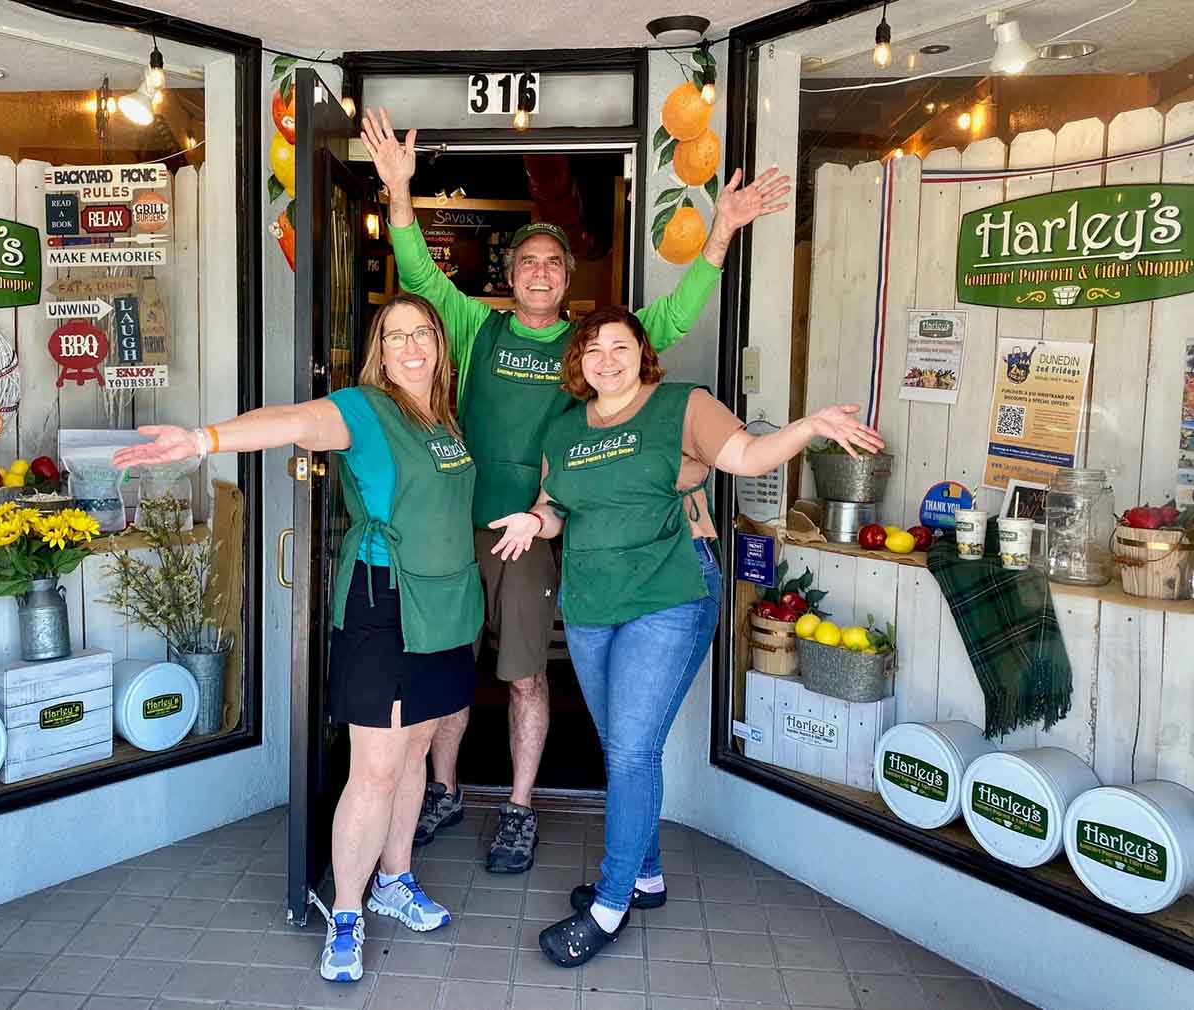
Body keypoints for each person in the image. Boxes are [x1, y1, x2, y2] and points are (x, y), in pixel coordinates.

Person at [361, 108, 791, 873]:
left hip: (534, 532)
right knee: (448, 668)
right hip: (453, 528)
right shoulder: (472, 328)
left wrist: (721, 231)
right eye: (525, 260)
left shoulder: (596, 347)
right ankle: (446, 788)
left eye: (552, 263)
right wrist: (398, 193)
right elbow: (421, 273)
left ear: (568, 279)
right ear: (508, 272)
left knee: (525, 672)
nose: (538, 271)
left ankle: (520, 807)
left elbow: (677, 312)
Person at [487, 306, 883, 966]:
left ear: (643, 353)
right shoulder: (564, 428)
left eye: (619, 345)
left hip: (668, 592)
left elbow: (750, 454)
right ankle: (645, 878)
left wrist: (810, 426)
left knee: (634, 748)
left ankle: (610, 904)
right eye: (591, 349)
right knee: (621, 744)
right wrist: (534, 520)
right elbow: (558, 506)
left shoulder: (682, 406)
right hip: (591, 601)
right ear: (578, 363)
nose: (605, 358)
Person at [113, 293, 480, 985]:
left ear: (439, 343)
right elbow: (288, 420)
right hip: (387, 604)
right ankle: (346, 912)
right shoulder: (364, 409)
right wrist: (202, 441)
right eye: (395, 336)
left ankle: (394, 881)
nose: (410, 347)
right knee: (374, 766)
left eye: (422, 333)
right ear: (380, 350)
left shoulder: (446, 419)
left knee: (418, 749)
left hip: (450, 604)